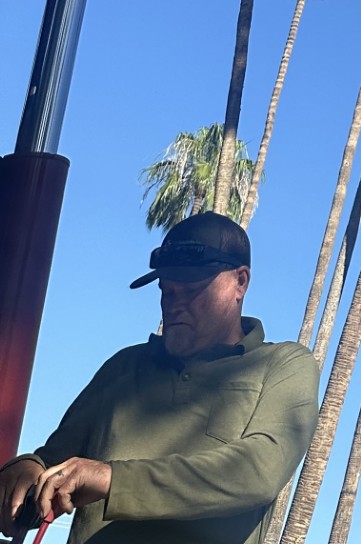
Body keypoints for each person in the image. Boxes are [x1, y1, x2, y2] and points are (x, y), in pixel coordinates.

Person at [0, 213, 319, 542]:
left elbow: (259, 470)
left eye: (192, 291)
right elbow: (54, 465)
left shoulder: (283, 364)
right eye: (167, 291)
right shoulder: (124, 366)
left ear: (240, 282)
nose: (174, 305)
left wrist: (112, 480)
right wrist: (26, 470)